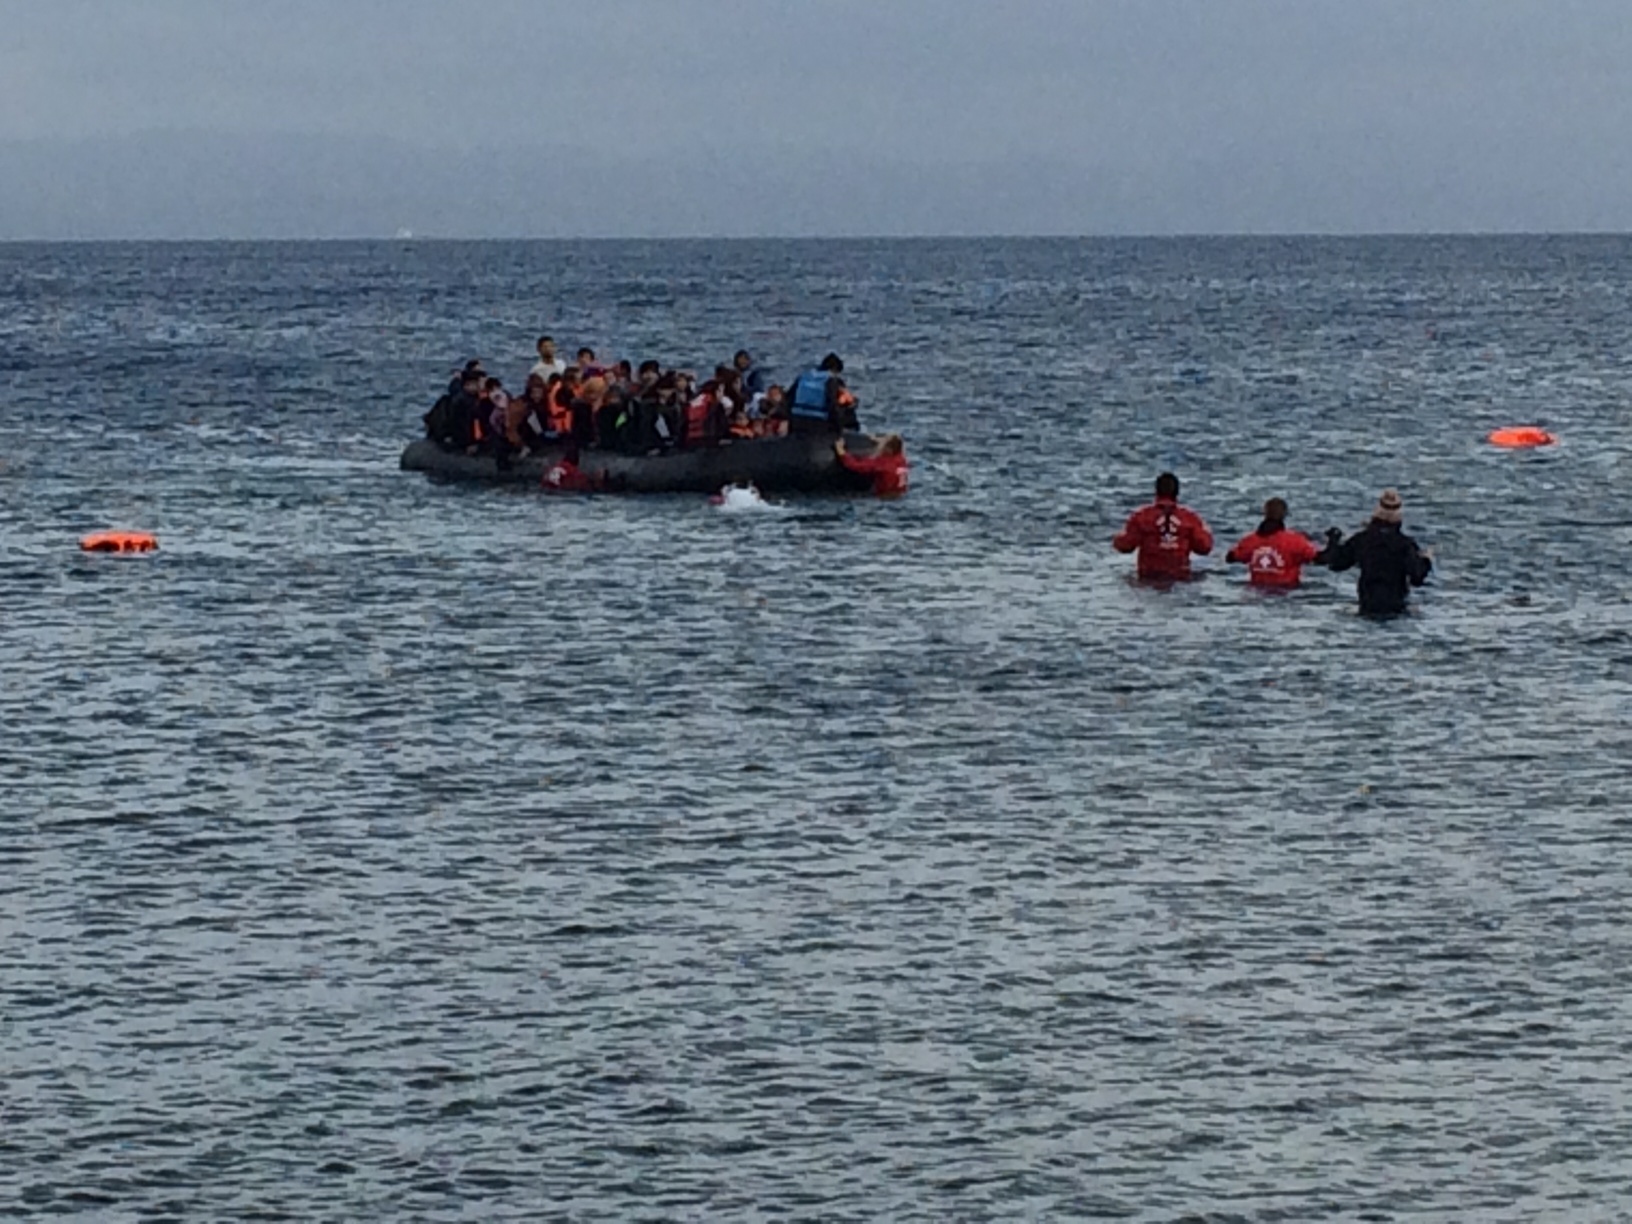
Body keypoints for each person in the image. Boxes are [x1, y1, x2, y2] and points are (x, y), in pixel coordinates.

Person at [1323, 488, 1432, 615]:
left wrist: (1333, 540)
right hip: (1396, 607)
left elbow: (1336, 564)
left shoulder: (1362, 539)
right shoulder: (1405, 545)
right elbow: (1417, 578)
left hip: (1367, 604)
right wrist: (1426, 560)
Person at [1113, 472, 1214, 581]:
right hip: (1180, 577)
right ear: (1177, 493)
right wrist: (1207, 533)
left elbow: (1125, 546)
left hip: (1148, 577)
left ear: (1156, 491)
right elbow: (1204, 548)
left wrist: (1117, 538)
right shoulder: (1189, 519)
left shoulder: (1142, 517)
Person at [1225, 497, 1321, 589]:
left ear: (1265, 513)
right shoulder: (1296, 541)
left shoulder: (1250, 541)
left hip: (1256, 592)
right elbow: (1317, 558)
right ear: (1284, 515)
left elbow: (1230, 557)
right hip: (1287, 591)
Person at [786, 353, 852, 435]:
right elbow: (833, 406)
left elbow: (788, 399)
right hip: (819, 424)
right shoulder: (832, 381)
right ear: (835, 370)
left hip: (797, 421)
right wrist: (839, 428)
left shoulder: (803, 377)